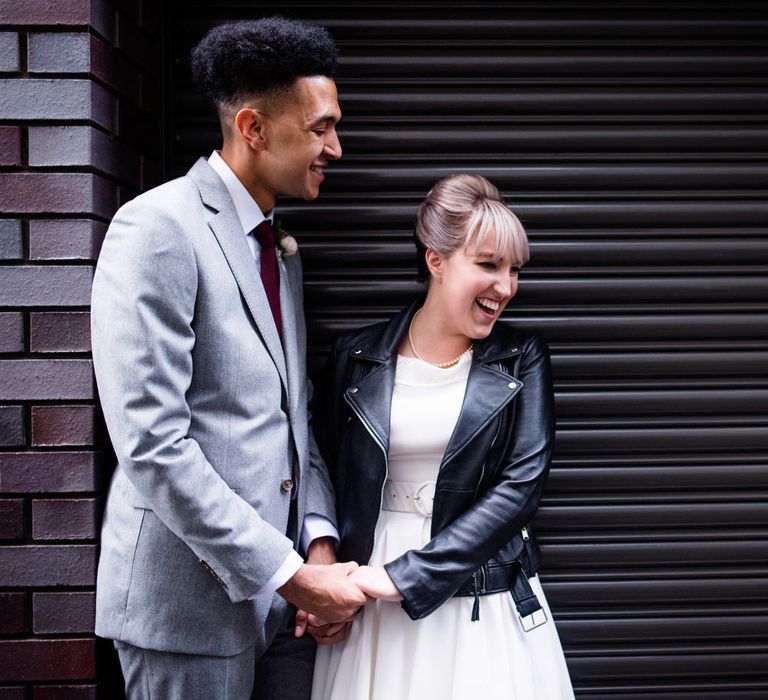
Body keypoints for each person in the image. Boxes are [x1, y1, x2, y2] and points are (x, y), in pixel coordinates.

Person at [90, 17, 366, 700]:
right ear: (253, 127)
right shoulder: (158, 229)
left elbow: (290, 412)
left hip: (280, 612)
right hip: (186, 615)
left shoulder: (277, 249)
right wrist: (289, 571)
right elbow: (153, 446)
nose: (336, 146)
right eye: (321, 128)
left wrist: (319, 544)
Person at [310, 174, 575, 699]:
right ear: (435, 259)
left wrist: (407, 577)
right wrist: (323, 575)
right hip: (369, 587)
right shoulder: (356, 356)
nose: (506, 286)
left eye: (514, 270)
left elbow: (520, 487)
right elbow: (325, 468)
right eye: (488, 265)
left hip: (479, 589)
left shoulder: (521, 357)